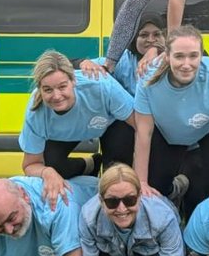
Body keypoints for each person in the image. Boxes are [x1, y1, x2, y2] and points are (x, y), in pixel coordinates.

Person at [132, 25, 209, 209]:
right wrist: (141, 182)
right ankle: (175, 194)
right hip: (167, 132)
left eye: (193, 56)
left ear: (201, 56)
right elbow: (144, 133)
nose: (186, 64)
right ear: (167, 56)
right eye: (179, 56)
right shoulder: (149, 78)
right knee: (155, 190)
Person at [19, 51, 136, 209]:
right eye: (47, 90)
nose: (57, 96)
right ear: (39, 89)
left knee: (115, 175)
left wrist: (143, 179)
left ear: (73, 80)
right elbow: (30, 165)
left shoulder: (101, 84)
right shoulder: (36, 111)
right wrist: (47, 173)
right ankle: (90, 165)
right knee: (51, 166)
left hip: (111, 124)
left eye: (62, 86)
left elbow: (142, 127)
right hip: (69, 131)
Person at [79, 15, 165, 96]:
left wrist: (156, 50)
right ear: (134, 38)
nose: (150, 40)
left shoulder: (172, 59)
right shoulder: (123, 59)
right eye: (144, 35)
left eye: (157, 34)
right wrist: (84, 63)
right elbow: (98, 65)